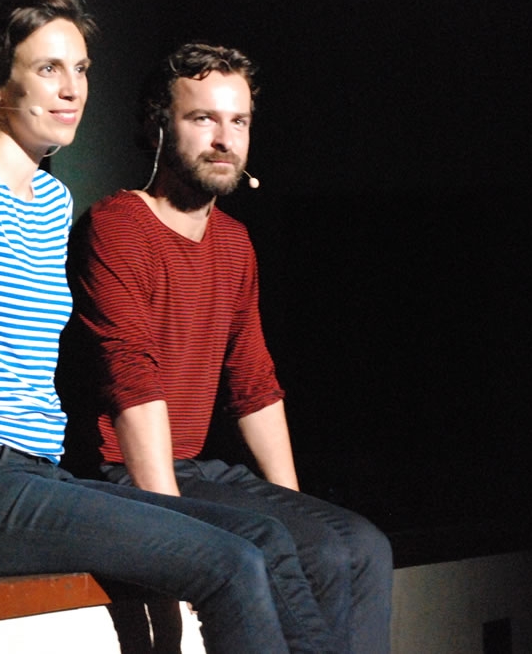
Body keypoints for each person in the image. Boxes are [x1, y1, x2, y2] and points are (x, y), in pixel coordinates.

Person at [0, 0, 341, 654]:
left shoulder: (52, 201)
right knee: (229, 562)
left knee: (262, 537)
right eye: (48, 68)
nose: (71, 88)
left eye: (80, 69)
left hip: (35, 472)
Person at [63, 43, 394, 653]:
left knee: (362, 546)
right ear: (159, 127)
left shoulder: (234, 242)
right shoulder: (118, 225)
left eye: (238, 121)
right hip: (119, 470)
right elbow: (129, 377)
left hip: (193, 466)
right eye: (203, 119)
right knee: (301, 547)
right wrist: (170, 535)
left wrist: (296, 506)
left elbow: (253, 383)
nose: (224, 139)